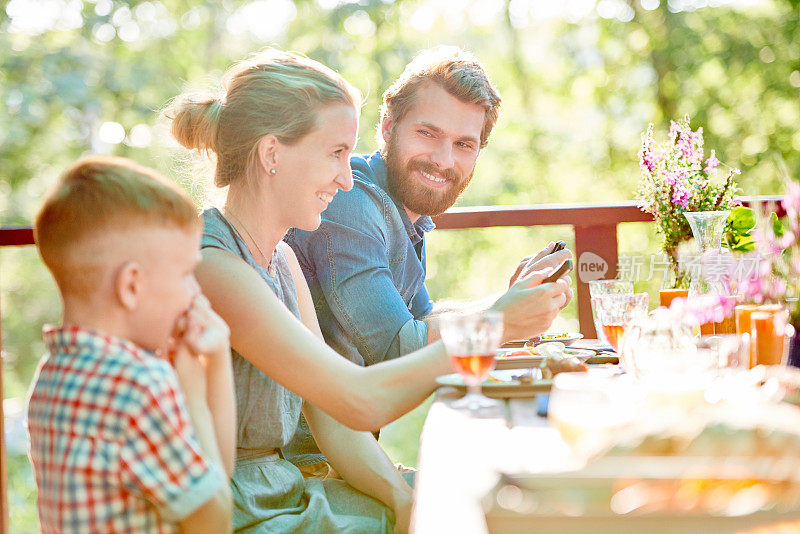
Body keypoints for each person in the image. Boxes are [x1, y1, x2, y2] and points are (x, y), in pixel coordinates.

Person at [168, 48, 562, 533]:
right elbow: (360, 400)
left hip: (287, 490)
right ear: (271, 153)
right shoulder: (216, 267)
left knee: (489, 499)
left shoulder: (281, 259)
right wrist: (493, 326)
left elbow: (333, 418)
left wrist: (401, 500)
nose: (345, 176)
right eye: (335, 153)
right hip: (242, 511)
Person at [284, 47, 573, 460]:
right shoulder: (348, 204)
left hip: (349, 460)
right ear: (388, 126)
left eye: (463, 144)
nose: (443, 160)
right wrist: (501, 321)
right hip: (306, 468)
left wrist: (508, 300)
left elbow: (422, 320)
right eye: (427, 133)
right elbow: (397, 350)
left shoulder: (404, 209)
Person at [27, 156, 235, 533]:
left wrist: (216, 360)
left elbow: (209, 476)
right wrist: (190, 391)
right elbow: (216, 520)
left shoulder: (50, 376)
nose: (196, 292)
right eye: (187, 274)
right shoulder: (140, 384)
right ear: (132, 286)